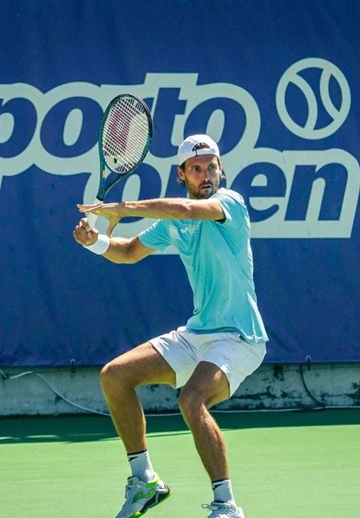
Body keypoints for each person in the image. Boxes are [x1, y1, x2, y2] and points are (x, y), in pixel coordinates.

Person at [73, 134, 268, 518]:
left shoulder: (230, 204)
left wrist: (125, 208)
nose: (206, 174)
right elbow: (128, 252)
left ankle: (227, 506)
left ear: (221, 170)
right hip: (198, 334)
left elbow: (186, 212)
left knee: (191, 400)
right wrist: (95, 242)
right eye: (196, 169)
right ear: (182, 174)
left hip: (240, 338)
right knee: (115, 376)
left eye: (212, 166)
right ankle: (144, 480)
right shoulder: (174, 223)